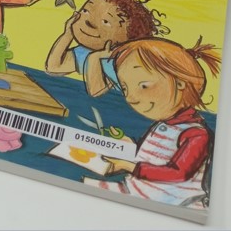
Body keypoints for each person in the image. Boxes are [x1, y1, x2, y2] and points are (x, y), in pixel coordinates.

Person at [93, 36, 221, 209]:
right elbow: (154, 157)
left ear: (180, 83)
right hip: (139, 192)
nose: (130, 98)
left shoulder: (196, 134)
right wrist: (131, 147)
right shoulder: (164, 125)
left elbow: (179, 173)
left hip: (176, 205)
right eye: (125, 88)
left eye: (143, 85)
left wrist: (130, 167)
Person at [45, 0, 163, 96]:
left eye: (106, 22)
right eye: (86, 11)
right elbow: (53, 67)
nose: (89, 22)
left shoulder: (121, 62)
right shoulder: (84, 53)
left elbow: (96, 91)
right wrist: (67, 34)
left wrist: (95, 58)